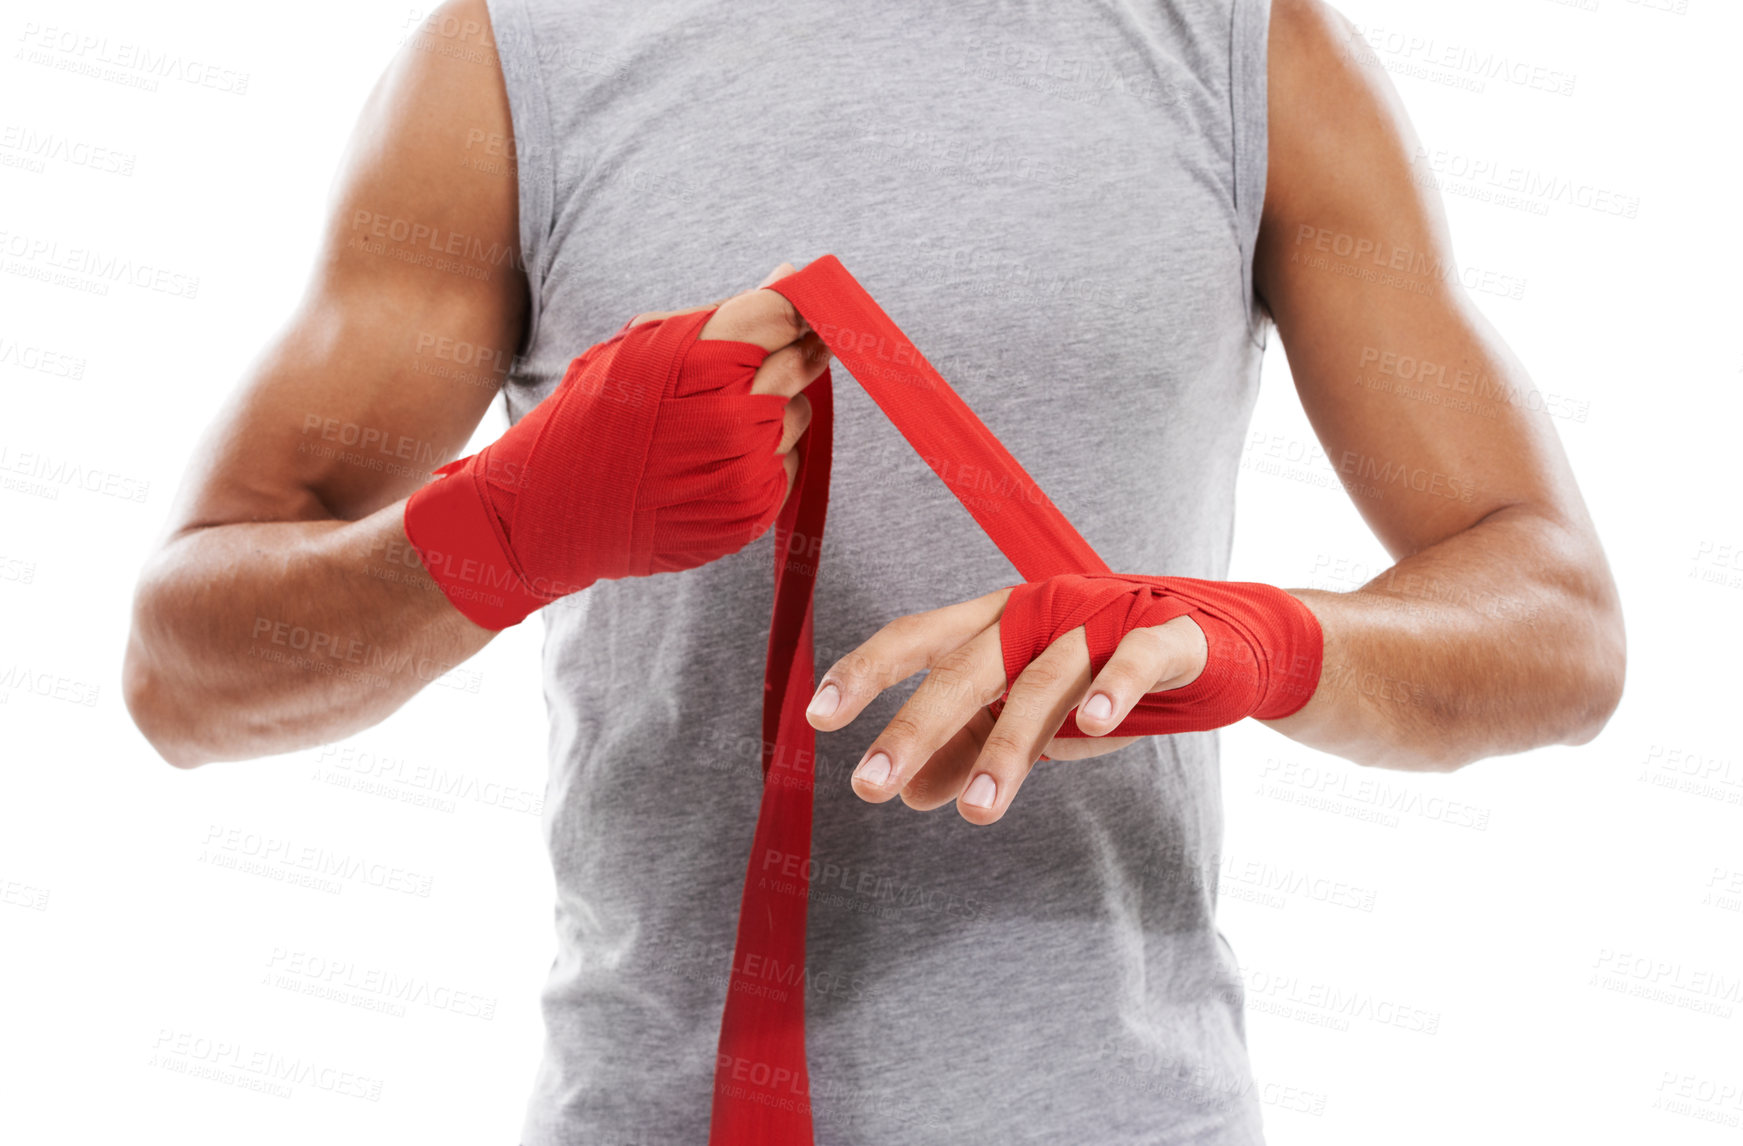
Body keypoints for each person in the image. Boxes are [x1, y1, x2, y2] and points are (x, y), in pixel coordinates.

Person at [121, 0, 1625, 1141]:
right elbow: (183, 673)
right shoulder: (520, 60)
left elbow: (1555, 616)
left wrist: (1252, 639)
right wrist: (500, 526)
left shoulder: (1245, 49)